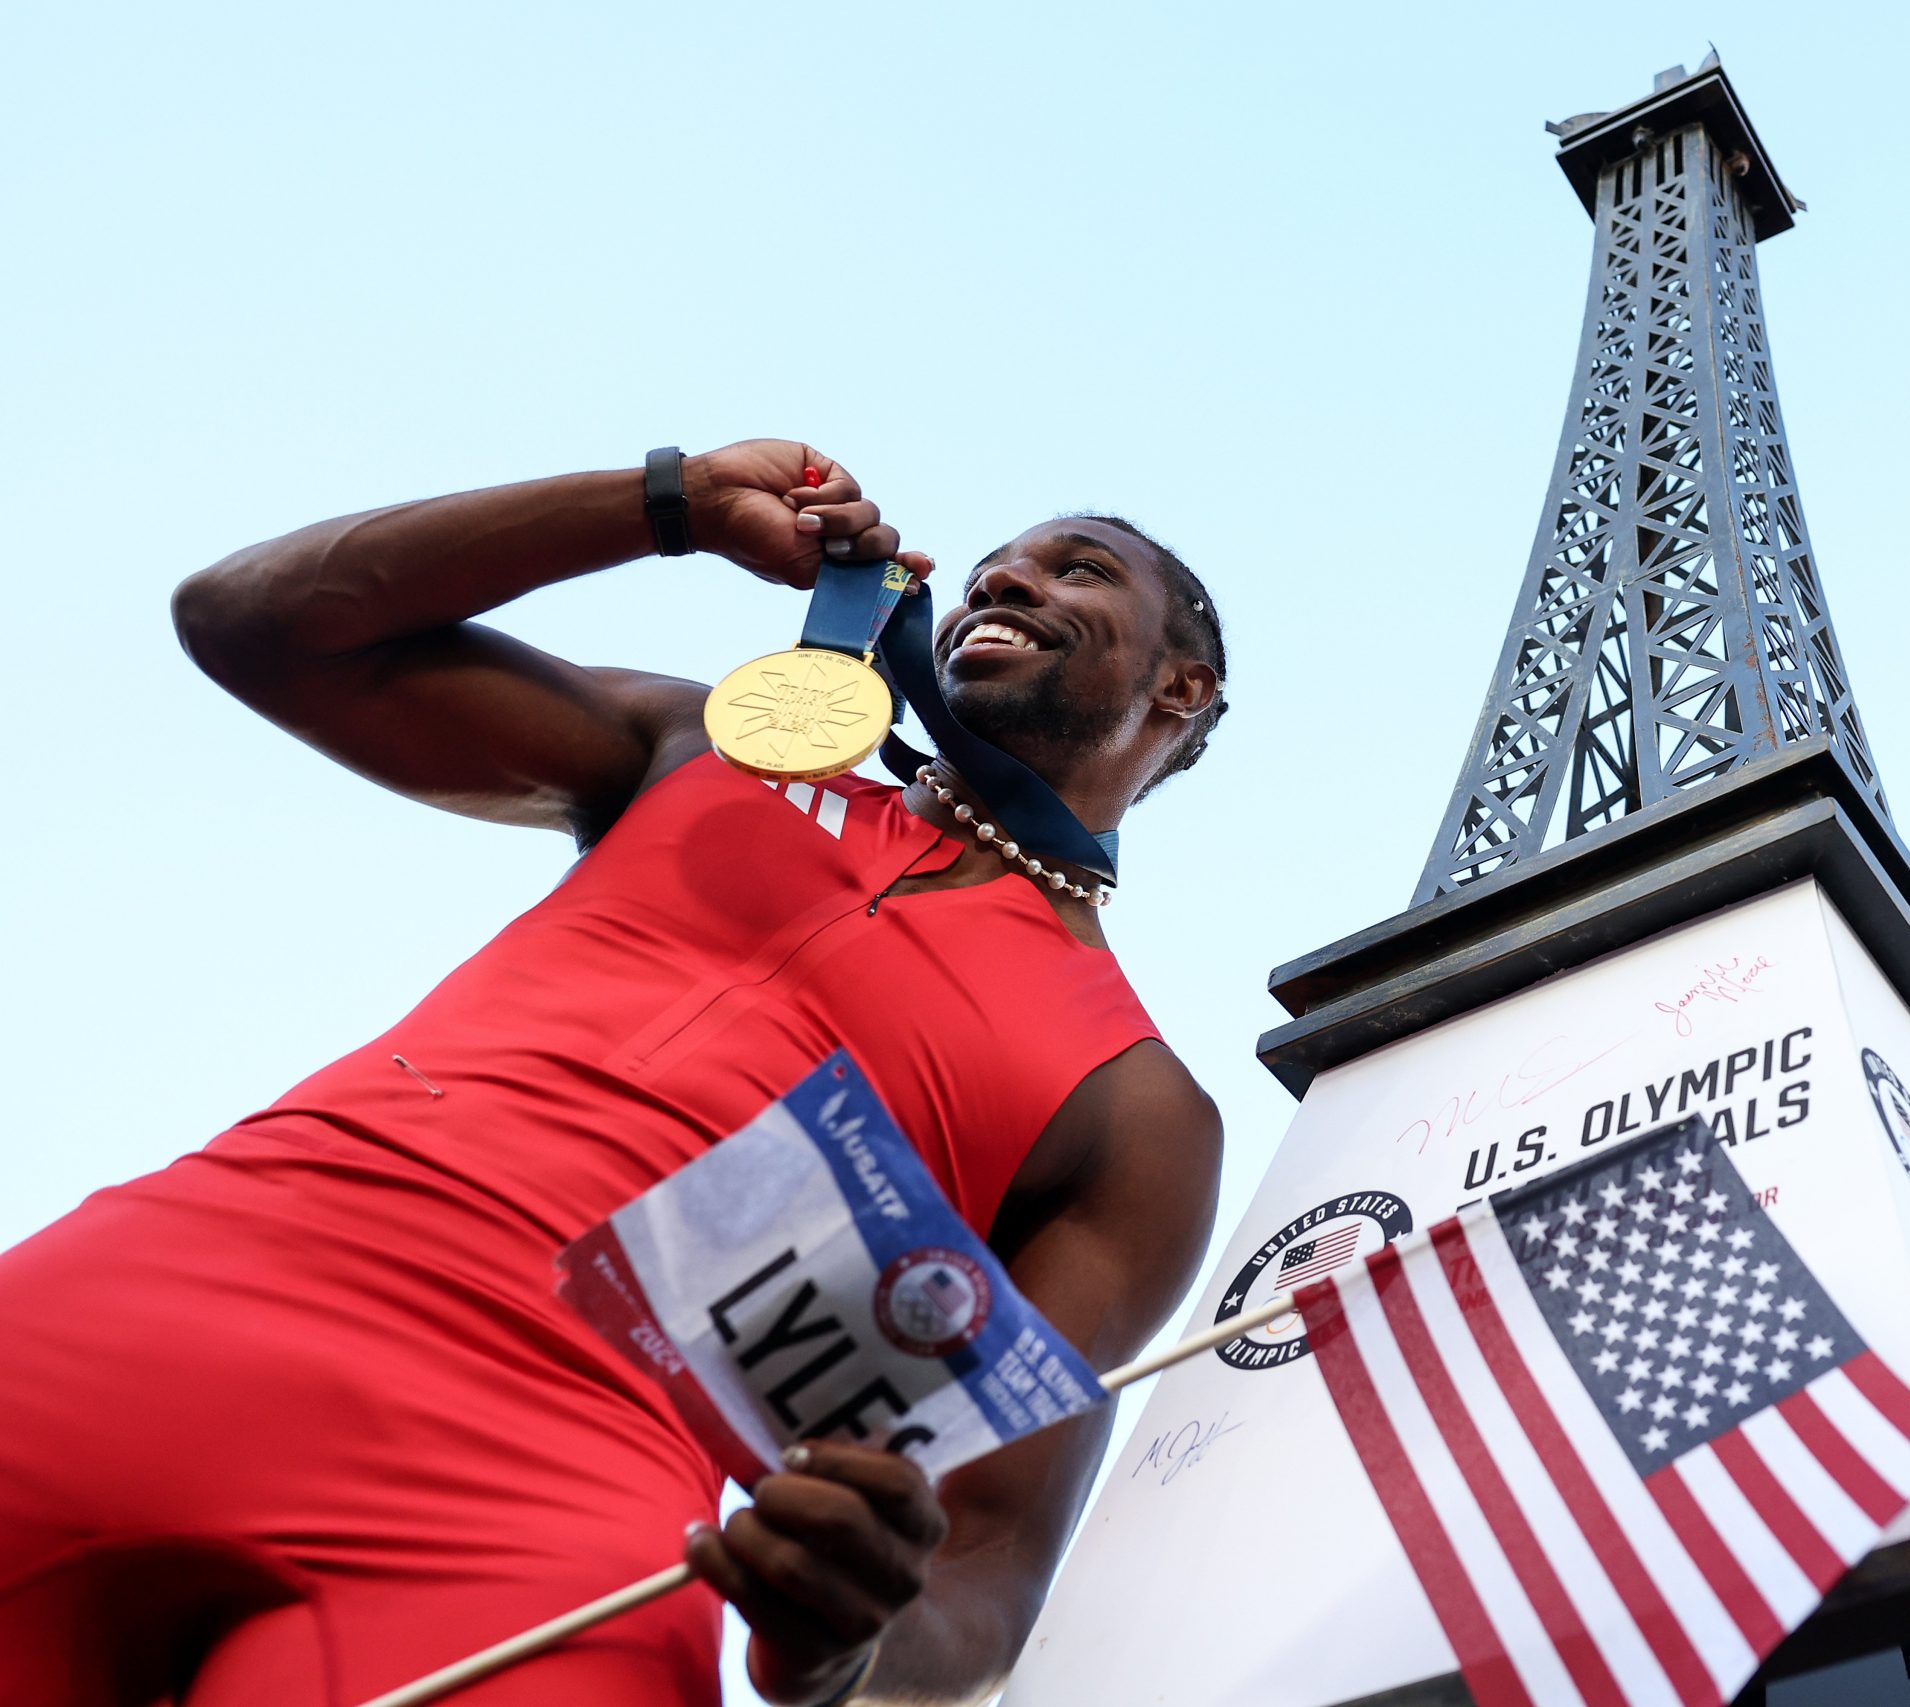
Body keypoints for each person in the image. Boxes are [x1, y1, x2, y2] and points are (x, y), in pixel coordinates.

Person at [0, 440, 1228, 1707]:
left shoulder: (1138, 1110)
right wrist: (667, 505)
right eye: (987, 573)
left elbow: (988, 1570)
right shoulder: (704, 749)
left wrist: (845, 1640)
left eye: (1075, 573)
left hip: (559, 1504)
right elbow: (252, 623)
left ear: (1181, 688)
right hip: (175, 1294)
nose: (1005, 586)